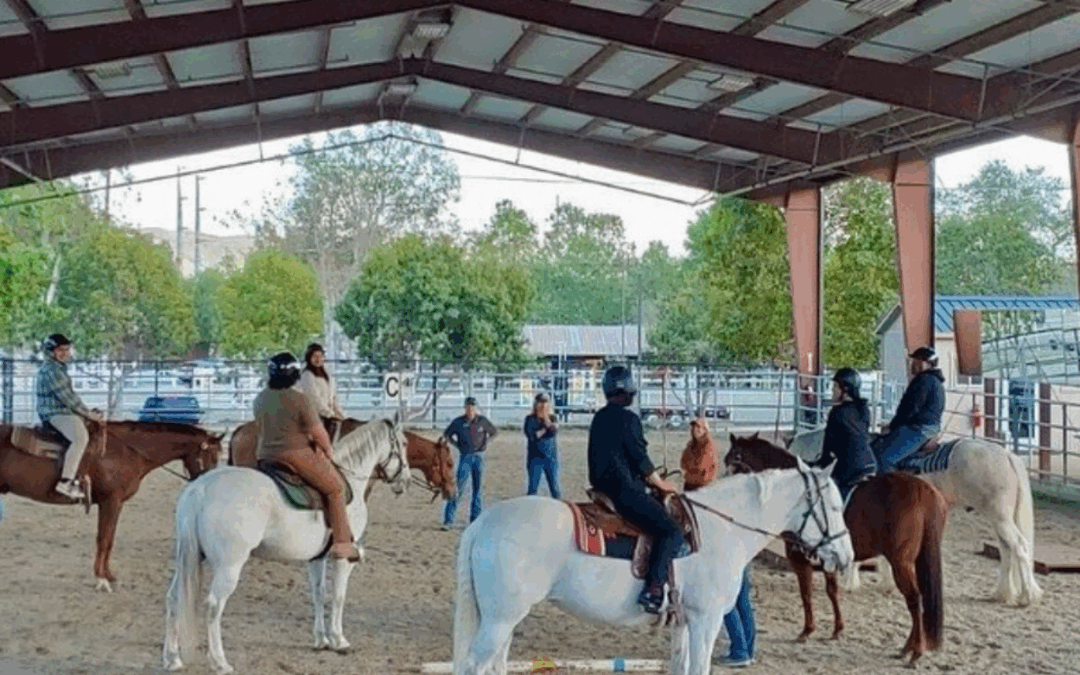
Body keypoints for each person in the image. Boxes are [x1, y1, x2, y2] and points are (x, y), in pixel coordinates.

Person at [588, 365, 683, 614]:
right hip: (625, 492)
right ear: (628, 391)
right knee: (671, 531)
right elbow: (640, 460)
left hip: (603, 490)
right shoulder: (629, 419)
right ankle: (653, 589)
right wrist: (661, 484)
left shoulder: (599, 417)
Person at [254, 352, 359, 562]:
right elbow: (319, 432)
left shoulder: (261, 398)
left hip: (264, 455)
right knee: (335, 488)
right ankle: (342, 544)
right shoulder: (299, 399)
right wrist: (328, 450)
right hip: (295, 455)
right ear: (294, 374)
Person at [679, 419, 755, 667]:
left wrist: (690, 473)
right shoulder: (740, 494)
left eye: (699, 428)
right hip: (735, 541)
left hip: (713, 522)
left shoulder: (708, 452)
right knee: (740, 596)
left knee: (724, 598)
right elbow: (686, 466)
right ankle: (746, 648)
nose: (695, 431)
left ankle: (742, 649)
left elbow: (697, 471)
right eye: (694, 428)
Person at [35, 333, 102, 500]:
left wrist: (87, 412)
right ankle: (65, 482)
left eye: (66, 349)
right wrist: (88, 414)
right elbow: (68, 399)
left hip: (62, 411)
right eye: (60, 350)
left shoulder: (58, 368)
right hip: (55, 413)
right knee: (80, 438)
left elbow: (72, 397)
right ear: (51, 351)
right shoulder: (51, 370)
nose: (64, 352)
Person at [874, 346, 946, 472]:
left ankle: (890, 489)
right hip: (929, 427)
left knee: (883, 459)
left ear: (928, 363)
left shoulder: (924, 380)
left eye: (918, 360)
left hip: (918, 429)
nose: (913, 364)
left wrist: (891, 428)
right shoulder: (935, 381)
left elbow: (910, 410)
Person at [815, 368, 876, 501]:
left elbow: (828, 449)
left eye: (835, 386)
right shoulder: (864, 409)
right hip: (870, 464)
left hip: (850, 469)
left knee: (823, 500)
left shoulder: (837, 413)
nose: (832, 390)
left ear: (845, 389)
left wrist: (817, 465)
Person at [442, 397, 498, 530]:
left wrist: (486, 443)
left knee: (477, 489)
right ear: (465, 408)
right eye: (468, 407)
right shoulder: (459, 422)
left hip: (479, 457)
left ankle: (475, 519)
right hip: (465, 456)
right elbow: (447, 434)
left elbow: (494, 432)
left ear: (476, 408)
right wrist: (457, 445)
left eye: (472, 407)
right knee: (459, 488)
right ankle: (448, 520)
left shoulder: (482, 421)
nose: (470, 409)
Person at [298, 343, 345, 441]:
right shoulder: (307, 375)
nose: (318, 359)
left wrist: (341, 415)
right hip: (316, 418)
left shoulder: (326, 374)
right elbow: (314, 400)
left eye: (320, 356)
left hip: (328, 417)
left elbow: (334, 398)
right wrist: (331, 415)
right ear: (309, 358)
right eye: (315, 356)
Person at [523, 392, 561, 499]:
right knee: (532, 489)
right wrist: (545, 428)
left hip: (551, 458)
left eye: (545, 404)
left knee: (555, 488)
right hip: (535, 458)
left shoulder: (553, 418)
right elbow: (532, 436)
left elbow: (554, 431)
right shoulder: (530, 419)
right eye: (540, 403)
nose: (543, 406)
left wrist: (547, 421)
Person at [680, 418, 718, 491]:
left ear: (705, 430)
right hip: (689, 484)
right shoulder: (690, 444)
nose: (694, 429)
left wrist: (690, 459)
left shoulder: (709, 446)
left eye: (698, 427)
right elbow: (683, 463)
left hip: (703, 487)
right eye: (694, 427)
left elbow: (700, 466)